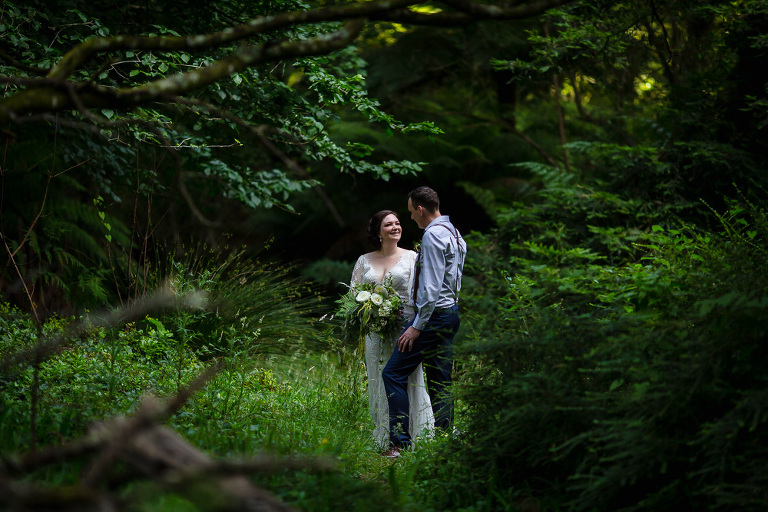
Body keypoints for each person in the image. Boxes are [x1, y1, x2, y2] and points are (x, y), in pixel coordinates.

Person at [381, 186, 466, 457]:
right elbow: (455, 279)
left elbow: (429, 290)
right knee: (441, 382)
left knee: (392, 373)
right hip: (451, 312)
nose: (411, 219)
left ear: (420, 209)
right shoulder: (454, 232)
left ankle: (399, 444)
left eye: (410, 213)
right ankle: (444, 446)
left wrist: (416, 327)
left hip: (433, 318)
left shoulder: (432, 236)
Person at [350, 210, 435, 451]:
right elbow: (354, 295)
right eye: (389, 224)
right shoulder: (364, 260)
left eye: (398, 223)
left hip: (405, 330)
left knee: (407, 379)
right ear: (378, 231)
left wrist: (415, 326)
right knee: (379, 379)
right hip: (374, 331)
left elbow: (420, 295)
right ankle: (385, 435)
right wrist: (367, 311)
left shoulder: (412, 258)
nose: (396, 227)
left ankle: (413, 435)